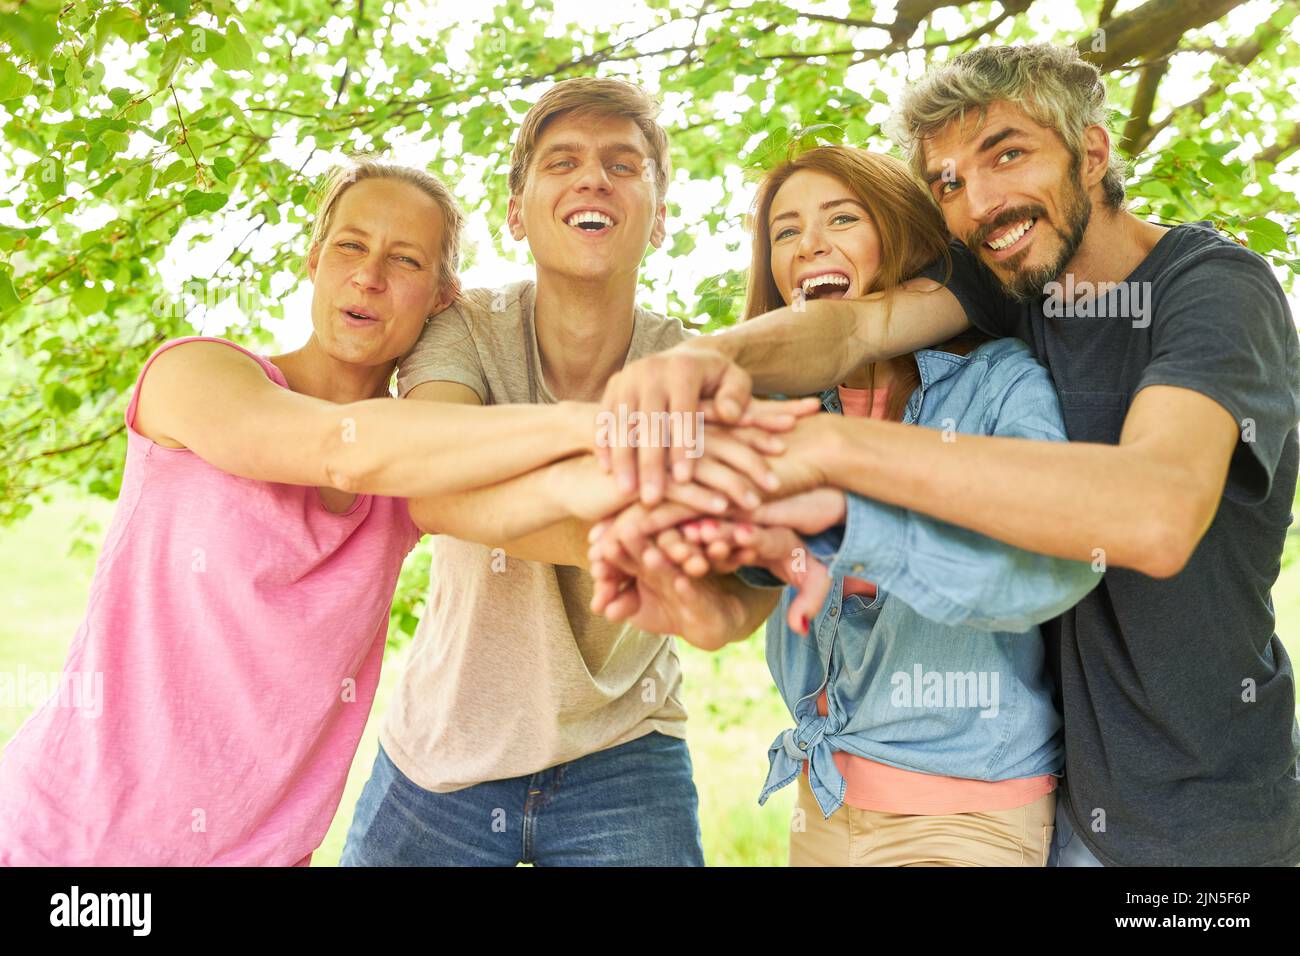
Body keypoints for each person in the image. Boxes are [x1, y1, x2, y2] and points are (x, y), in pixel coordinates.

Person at [593, 44, 1300, 867]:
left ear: (1093, 153)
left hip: (1201, 823)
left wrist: (830, 454)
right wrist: (708, 357)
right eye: (949, 183)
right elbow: (851, 328)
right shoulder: (1011, 283)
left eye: (1008, 153)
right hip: (1060, 801)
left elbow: (1157, 511)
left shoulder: (1214, 289)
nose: (982, 203)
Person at [0, 158, 650, 866]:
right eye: (349, 245)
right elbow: (339, 450)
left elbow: (576, 528)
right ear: (314, 261)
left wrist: (742, 523)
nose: (369, 275)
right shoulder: (193, 376)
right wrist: (603, 426)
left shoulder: (413, 476)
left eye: (405, 260)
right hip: (66, 841)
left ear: (441, 299)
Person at [339, 77, 815, 867]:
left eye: (623, 165)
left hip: (625, 750)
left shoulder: (694, 363)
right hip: (446, 746)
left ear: (660, 219)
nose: (593, 178)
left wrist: (721, 567)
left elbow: (738, 580)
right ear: (516, 213)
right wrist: (652, 526)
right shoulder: (465, 329)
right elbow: (432, 475)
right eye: (562, 161)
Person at [588, 145, 1100, 865]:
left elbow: (1045, 566)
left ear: (902, 237)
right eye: (786, 232)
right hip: (822, 803)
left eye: (841, 219)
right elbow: (748, 601)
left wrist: (843, 521)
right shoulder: (776, 411)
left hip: (966, 813)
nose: (810, 246)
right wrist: (703, 600)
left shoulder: (997, 383)